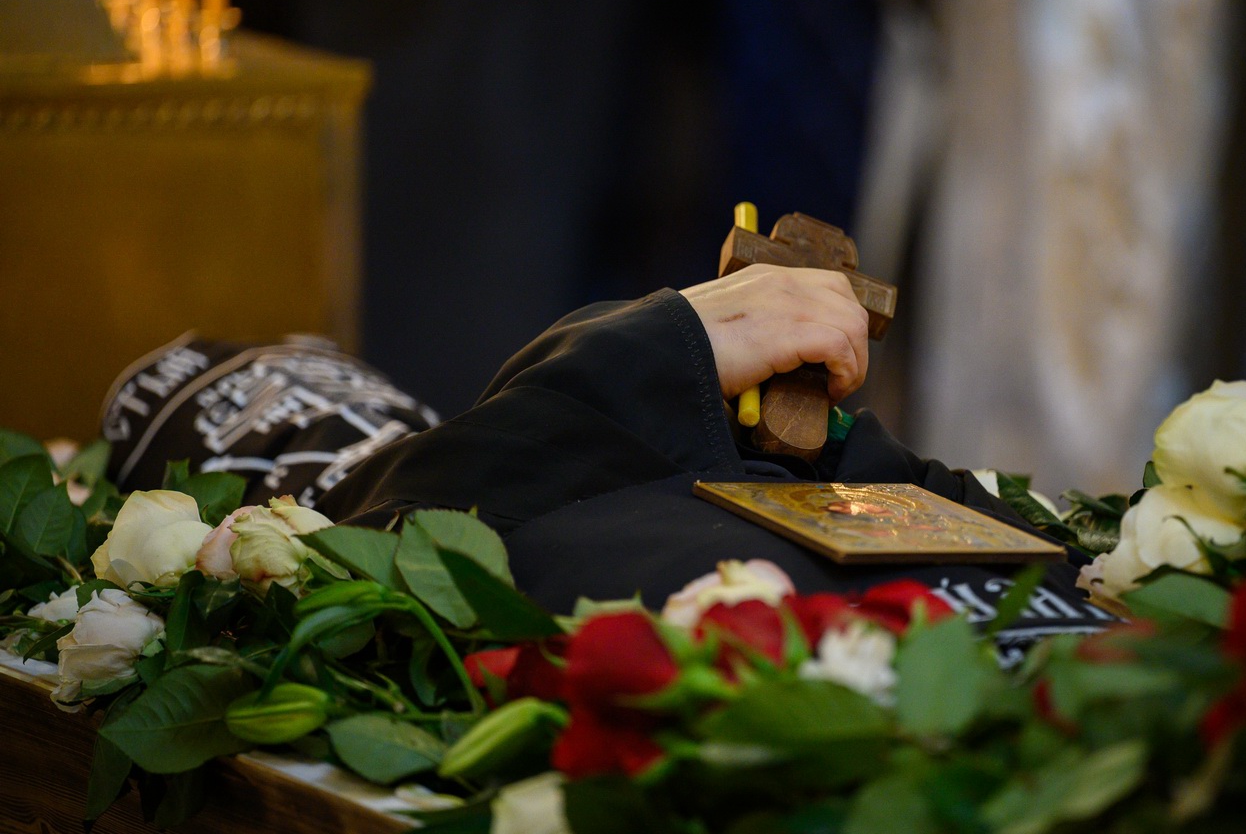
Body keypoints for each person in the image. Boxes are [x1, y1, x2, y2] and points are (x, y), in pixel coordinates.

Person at [103, 265, 1114, 661]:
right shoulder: (456, 496)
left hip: (1055, 645)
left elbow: (908, 498)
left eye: (319, 389)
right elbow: (395, 535)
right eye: (268, 414)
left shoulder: (533, 446)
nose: (321, 411)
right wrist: (670, 342)